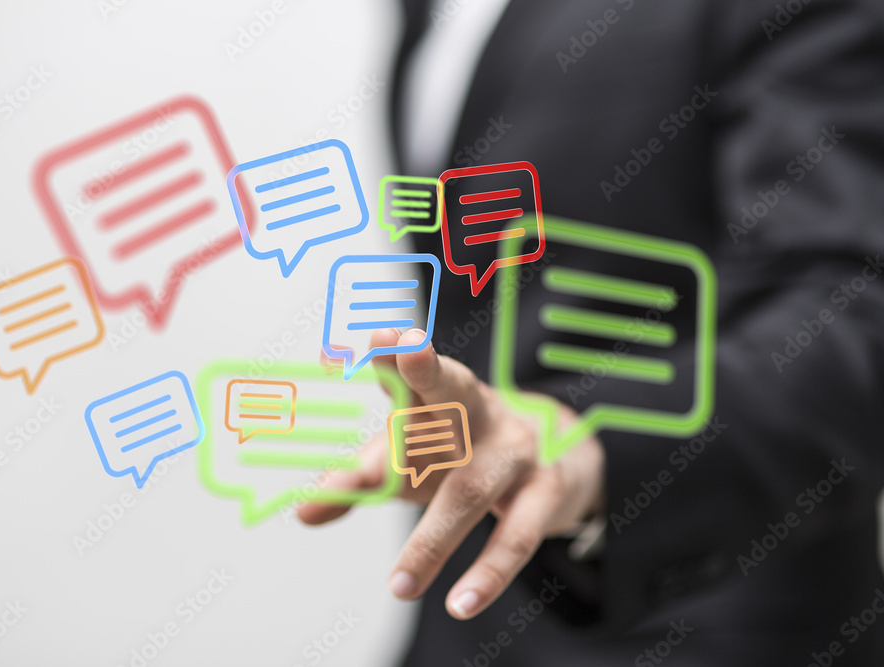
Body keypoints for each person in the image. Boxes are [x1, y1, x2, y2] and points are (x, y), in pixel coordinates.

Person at [301, 0, 884, 663]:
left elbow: (855, 305)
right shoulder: (418, 16)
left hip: (708, 627)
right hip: (460, 618)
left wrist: (591, 442)